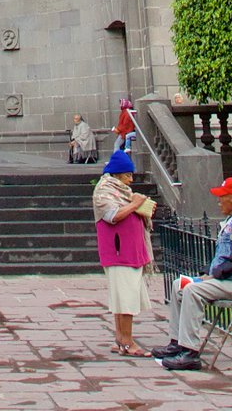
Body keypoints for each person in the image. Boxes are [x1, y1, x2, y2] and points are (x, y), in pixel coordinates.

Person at [156, 177, 232, 372]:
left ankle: (190, 352)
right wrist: (208, 272)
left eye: (222, 197)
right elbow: (225, 257)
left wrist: (213, 275)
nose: (218, 201)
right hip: (225, 279)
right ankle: (177, 342)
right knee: (177, 285)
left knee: (192, 291)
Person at [93, 149, 155, 355]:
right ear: (118, 175)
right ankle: (128, 342)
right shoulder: (105, 191)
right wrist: (136, 204)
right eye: (127, 175)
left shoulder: (121, 191)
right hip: (119, 252)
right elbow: (113, 216)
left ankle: (121, 339)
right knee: (125, 298)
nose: (130, 180)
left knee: (122, 297)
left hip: (130, 251)